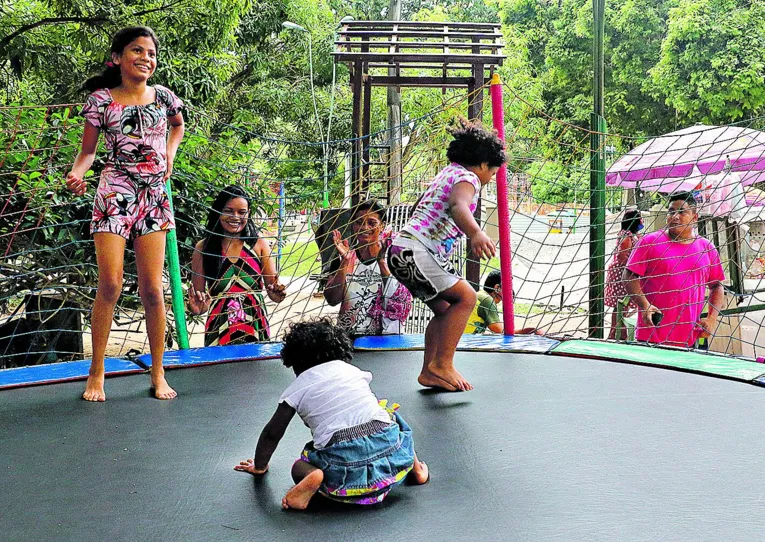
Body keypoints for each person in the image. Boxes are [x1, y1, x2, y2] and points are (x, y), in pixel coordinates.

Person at [65, 26, 184, 401]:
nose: (145, 58)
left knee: (152, 288)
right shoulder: (101, 100)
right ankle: (96, 372)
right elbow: (87, 152)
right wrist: (77, 173)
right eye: (137, 50)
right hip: (115, 191)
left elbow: (178, 128)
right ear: (117, 58)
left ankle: (158, 371)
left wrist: (169, 154)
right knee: (111, 284)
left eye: (151, 53)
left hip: (153, 195)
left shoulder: (164, 97)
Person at [233, 319, 429, 509]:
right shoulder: (351, 370)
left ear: (293, 360)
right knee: (392, 418)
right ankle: (416, 468)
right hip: (390, 461)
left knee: (300, 465)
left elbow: (272, 433)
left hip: (342, 472)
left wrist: (259, 466)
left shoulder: (296, 389)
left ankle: (314, 476)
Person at [387, 118, 505, 391]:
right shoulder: (468, 178)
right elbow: (457, 205)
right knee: (466, 297)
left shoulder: (446, 174)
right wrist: (476, 232)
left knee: (444, 310)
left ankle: (429, 371)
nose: (492, 177)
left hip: (399, 250)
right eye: (494, 171)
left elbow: (420, 205)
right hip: (417, 250)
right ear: (484, 164)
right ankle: (443, 364)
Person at [624, 192, 725, 348]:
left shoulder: (707, 248)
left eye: (682, 212)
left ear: (695, 217)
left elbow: (717, 286)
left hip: (690, 339)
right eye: (671, 211)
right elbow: (629, 275)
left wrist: (712, 318)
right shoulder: (649, 242)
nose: (675, 216)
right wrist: (644, 305)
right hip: (651, 336)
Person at [188, 186, 286, 346]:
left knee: (256, 368)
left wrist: (277, 295)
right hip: (218, 329)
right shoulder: (203, 248)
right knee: (221, 368)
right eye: (229, 211)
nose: (235, 217)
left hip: (255, 325)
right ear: (218, 211)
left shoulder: (259, 245)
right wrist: (197, 307)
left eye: (242, 212)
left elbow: (273, 288)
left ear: (249, 214)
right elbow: (199, 302)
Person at [324, 200, 412, 336]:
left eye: (372, 223)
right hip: (347, 339)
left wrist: (381, 261)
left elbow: (399, 302)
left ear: (382, 226)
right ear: (353, 226)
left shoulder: (395, 258)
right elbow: (332, 300)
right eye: (359, 222)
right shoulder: (343, 256)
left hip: (386, 339)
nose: (364, 227)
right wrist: (345, 262)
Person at [604, 209, 643, 340]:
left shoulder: (633, 235)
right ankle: (615, 333)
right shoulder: (626, 235)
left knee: (625, 306)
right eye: (640, 219)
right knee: (620, 305)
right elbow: (622, 257)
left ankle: (620, 332)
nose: (642, 221)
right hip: (621, 274)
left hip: (626, 273)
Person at [464, 270, 539, 335]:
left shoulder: (481, 295)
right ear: (497, 288)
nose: (511, 290)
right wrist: (530, 330)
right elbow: (501, 332)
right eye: (507, 286)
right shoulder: (487, 300)